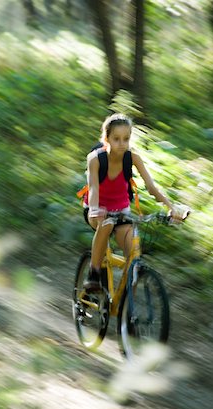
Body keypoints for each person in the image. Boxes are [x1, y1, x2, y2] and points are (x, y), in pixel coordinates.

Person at [83, 113, 189, 290]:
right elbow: (93, 187)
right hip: (96, 211)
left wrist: (172, 207)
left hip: (121, 211)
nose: (122, 144)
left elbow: (151, 187)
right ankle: (93, 273)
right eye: (116, 139)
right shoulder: (95, 159)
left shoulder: (132, 158)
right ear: (106, 138)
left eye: (126, 139)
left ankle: (126, 306)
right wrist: (95, 209)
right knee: (107, 223)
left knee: (133, 251)